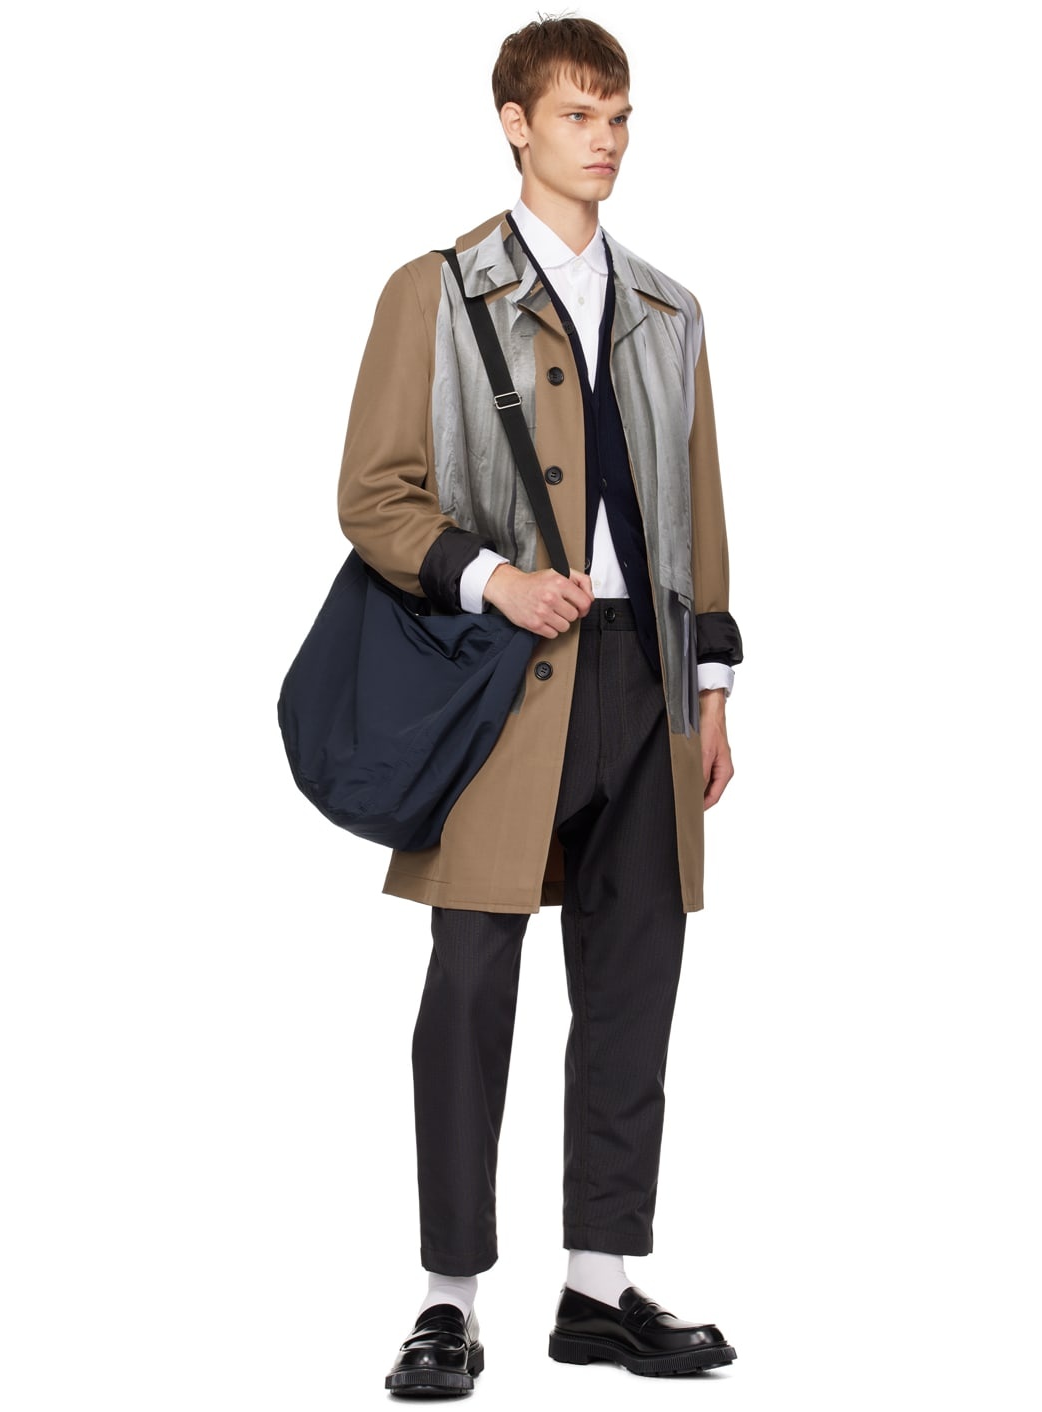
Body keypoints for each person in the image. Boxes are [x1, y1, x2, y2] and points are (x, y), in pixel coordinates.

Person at [336, 15, 744, 1395]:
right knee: (471, 987)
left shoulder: (671, 309)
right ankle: (447, 1302)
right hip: (506, 681)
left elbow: (701, 513)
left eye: (619, 116)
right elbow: (375, 494)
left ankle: (599, 1290)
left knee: (634, 984)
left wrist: (711, 687)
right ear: (516, 124)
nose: (606, 140)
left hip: (646, 677)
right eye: (579, 115)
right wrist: (493, 578)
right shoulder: (437, 292)